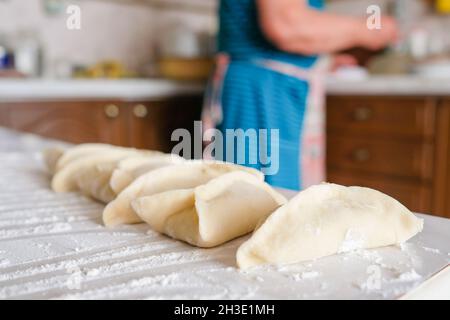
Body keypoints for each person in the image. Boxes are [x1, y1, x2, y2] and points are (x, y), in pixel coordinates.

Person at [204, 0, 398, 190]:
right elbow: (286, 24)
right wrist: (367, 29)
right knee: (260, 202)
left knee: (269, 198)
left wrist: (322, 61)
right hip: (262, 95)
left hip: (271, 90)